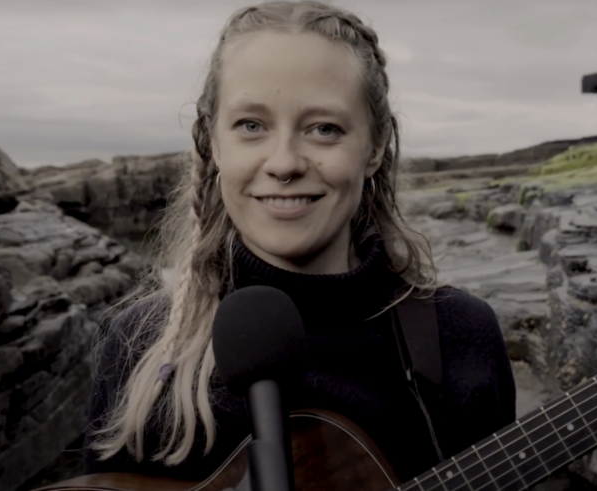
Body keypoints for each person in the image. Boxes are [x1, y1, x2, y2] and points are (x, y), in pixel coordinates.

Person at [84, 0, 516, 484]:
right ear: (213, 142)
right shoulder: (140, 346)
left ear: (374, 147)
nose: (285, 162)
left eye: (324, 129)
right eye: (252, 126)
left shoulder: (460, 334)